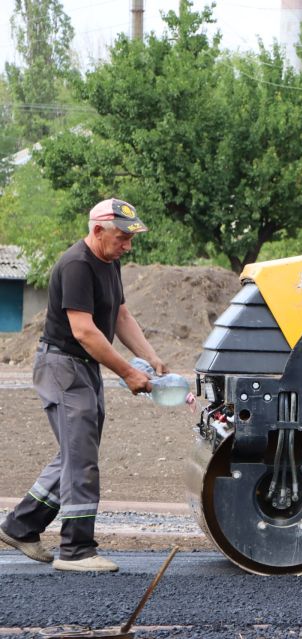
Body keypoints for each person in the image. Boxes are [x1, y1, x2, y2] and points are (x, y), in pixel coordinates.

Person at [0, 198, 166, 573]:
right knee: (81, 459)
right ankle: (76, 550)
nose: (128, 246)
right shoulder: (77, 264)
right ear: (98, 230)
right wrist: (128, 372)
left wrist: (150, 356)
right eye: (123, 238)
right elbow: (85, 332)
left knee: (76, 453)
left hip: (83, 367)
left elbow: (120, 315)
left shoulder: (109, 262)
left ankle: (20, 526)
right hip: (62, 366)